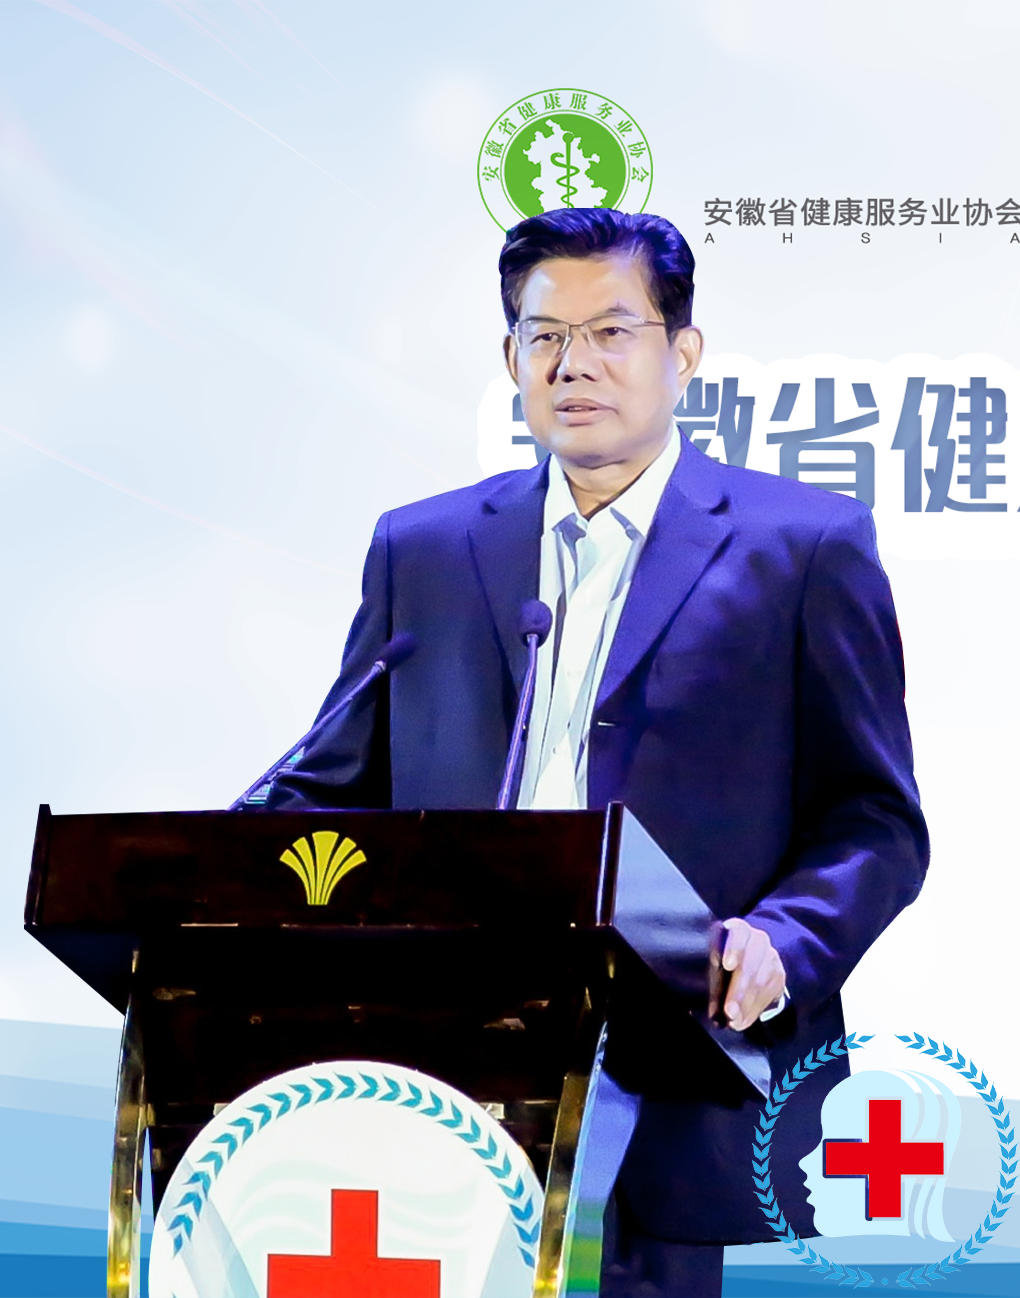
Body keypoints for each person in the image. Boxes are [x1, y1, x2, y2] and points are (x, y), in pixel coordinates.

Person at [249, 208, 928, 1296]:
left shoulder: (804, 546)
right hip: (442, 1056)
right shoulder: (423, 547)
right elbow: (329, 785)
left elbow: (876, 820)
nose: (574, 364)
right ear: (511, 356)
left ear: (683, 353)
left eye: (613, 332)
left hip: (675, 1053)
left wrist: (783, 941)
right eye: (546, 336)